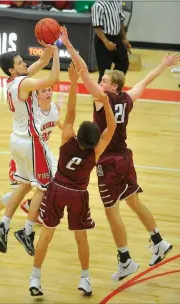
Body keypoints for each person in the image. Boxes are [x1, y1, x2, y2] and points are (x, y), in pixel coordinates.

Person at [60, 27, 180, 281]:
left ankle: (125, 259)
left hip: (108, 161)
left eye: (103, 80)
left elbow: (81, 69)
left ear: (112, 86)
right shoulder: (127, 98)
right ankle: (158, 240)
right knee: (134, 200)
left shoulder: (101, 98)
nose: (99, 82)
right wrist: (163, 65)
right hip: (126, 158)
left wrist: (68, 45)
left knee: (111, 210)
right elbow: (145, 81)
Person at [28, 62, 116, 297]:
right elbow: (112, 127)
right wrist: (106, 103)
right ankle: (85, 279)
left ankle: (35, 278)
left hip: (57, 190)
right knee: (81, 238)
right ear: (94, 141)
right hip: (78, 196)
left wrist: (75, 83)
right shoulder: (95, 152)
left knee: (46, 234)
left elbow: (71, 113)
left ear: (78, 134)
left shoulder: (67, 139)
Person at [0, 43, 60, 254]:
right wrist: (57, 55)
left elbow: (41, 62)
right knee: (44, 186)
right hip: (32, 141)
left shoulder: (13, 80)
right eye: (20, 62)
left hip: (16, 141)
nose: (24, 63)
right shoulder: (23, 83)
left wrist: (49, 49)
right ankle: (27, 231)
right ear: (13, 69)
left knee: (22, 185)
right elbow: (51, 80)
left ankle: (3, 224)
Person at [0, 86, 62, 229]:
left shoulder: (55, 108)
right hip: (27, 153)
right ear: (36, 96)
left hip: (43, 152)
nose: (48, 93)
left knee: (58, 180)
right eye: (43, 90)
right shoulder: (31, 113)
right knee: (21, 190)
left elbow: (56, 120)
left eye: (49, 90)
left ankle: (31, 204)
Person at [91, 0, 131, 83]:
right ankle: (101, 94)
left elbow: (121, 22)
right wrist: (106, 42)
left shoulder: (117, 2)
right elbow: (97, 27)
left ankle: (113, 87)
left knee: (124, 63)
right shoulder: (98, 5)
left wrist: (124, 39)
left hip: (117, 37)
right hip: (103, 39)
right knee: (104, 70)